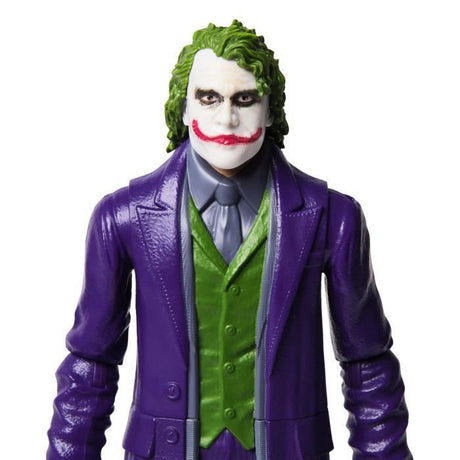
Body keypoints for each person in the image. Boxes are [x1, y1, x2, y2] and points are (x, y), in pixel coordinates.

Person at [47, 20, 412, 460]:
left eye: (245, 99)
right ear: (184, 107)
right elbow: (90, 365)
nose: (226, 118)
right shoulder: (122, 216)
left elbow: (367, 364)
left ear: (271, 110)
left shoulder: (333, 217)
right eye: (209, 98)